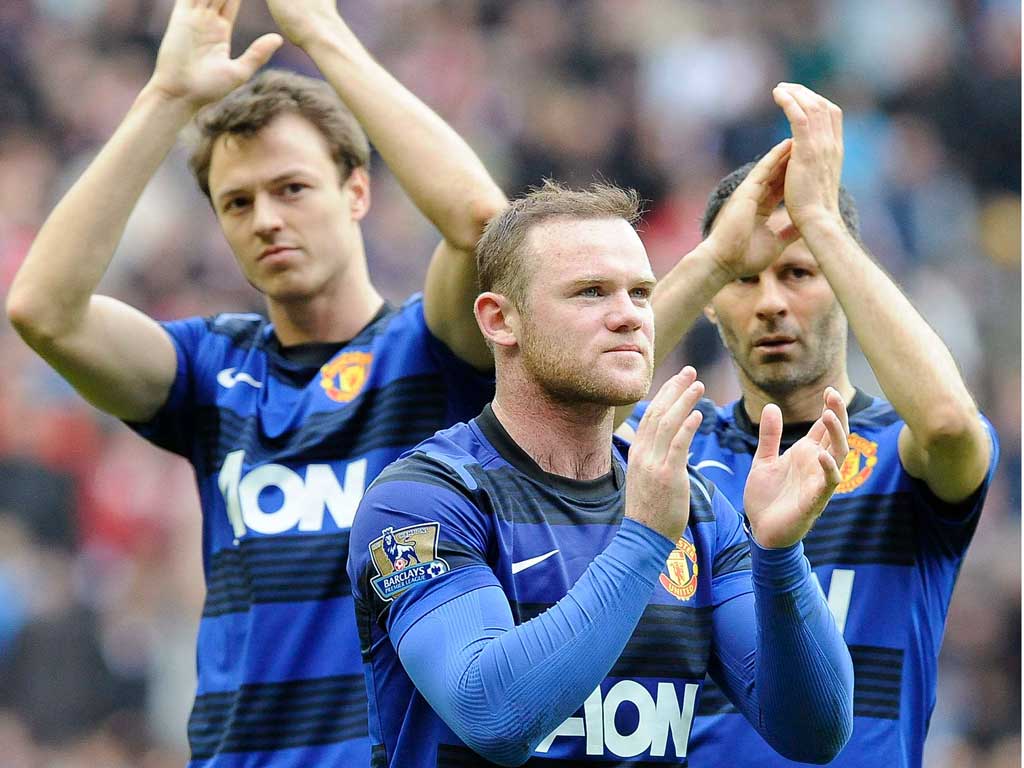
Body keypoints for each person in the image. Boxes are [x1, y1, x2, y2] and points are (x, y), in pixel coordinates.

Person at [6, 0, 506, 765]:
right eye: (238, 202)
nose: (266, 218)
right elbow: (44, 311)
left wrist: (320, 33)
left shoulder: (434, 346)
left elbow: (481, 223)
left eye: (293, 188)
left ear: (358, 192)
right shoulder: (213, 371)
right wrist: (166, 97)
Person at [348, 179, 855, 767]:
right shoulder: (424, 501)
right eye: (591, 293)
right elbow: (493, 715)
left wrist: (780, 552)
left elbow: (814, 733)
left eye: (640, 293)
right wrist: (641, 541)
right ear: (498, 321)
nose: (629, 317)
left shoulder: (700, 509)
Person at [628, 82, 999, 768]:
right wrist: (712, 259)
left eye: (799, 272)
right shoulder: (669, 449)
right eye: (745, 279)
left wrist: (823, 223)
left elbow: (950, 425)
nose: (770, 302)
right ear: (713, 304)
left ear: (843, 280)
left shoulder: (899, 450)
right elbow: (569, 410)